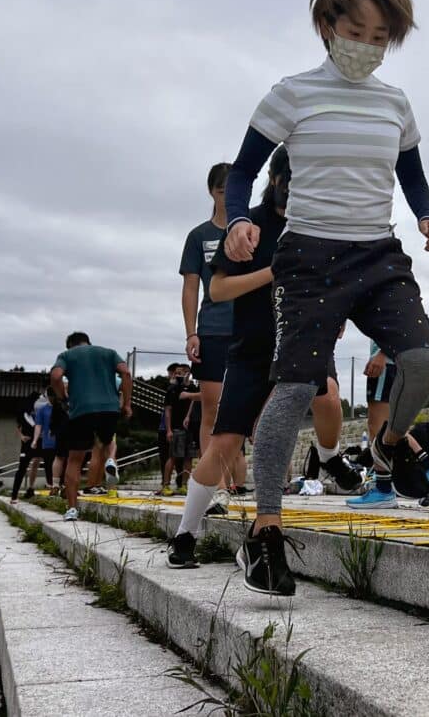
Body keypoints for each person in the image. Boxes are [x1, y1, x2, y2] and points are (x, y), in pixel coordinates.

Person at [220, 0, 429, 596]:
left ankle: (389, 445)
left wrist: (428, 218)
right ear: (328, 25)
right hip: (309, 258)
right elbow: (241, 172)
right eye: (359, 34)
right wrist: (239, 220)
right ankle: (264, 536)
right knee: (294, 392)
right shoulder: (292, 93)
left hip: (379, 253)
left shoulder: (394, 103)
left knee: (421, 359)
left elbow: (411, 171)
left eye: (382, 40)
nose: (369, 49)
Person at [168, 145, 359, 569]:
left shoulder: (320, 223)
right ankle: (185, 533)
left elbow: (339, 277)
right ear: (275, 181)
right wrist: (273, 271)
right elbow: (216, 290)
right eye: (291, 189)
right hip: (253, 345)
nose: (297, 200)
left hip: (304, 339)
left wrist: (338, 309)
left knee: (328, 396)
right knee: (223, 443)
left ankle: (328, 457)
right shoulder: (249, 224)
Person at [346, 340, 429, 509]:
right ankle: (425, 467)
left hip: (387, 361)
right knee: (389, 425)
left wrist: (381, 352)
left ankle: (386, 488)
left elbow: (392, 325)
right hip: (392, 360)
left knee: (380, 427)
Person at [180, 162, 236, 472]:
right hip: (213, 330)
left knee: (245, 410)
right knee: (212, 411)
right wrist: (191, 333)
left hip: (250, 329)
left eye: (233, 190)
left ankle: (239, 480)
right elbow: (190, 288)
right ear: (211, 192)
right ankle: (213, 485)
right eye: (220, 191)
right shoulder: (199, 236)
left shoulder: (254, 229)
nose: (227, 197)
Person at [50, 332, 132, 521]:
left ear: (70, 345)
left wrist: (63, 398)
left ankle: (72, 509)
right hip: (109, 409)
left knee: (75, 460)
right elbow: (126, 373)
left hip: (81, 410)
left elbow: (55, 376)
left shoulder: (67, 356)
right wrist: (127, 404)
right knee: (107, 440)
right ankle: (111, 460)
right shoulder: (108, 353)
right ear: (88, 342)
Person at [160, 363, 199, 497]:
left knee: (188, 457)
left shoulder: (193, 387)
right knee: (173, 456)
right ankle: (165, 485)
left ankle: (184, 485)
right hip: (176, 427)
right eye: (177, 373)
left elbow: (194, 402)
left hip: (190, 427)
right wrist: (169, 429)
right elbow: (168, 410)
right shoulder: (172, 389)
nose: (179, 375)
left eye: (182, 372)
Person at [9, 396, 41, 503]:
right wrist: (22, 436)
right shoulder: (22, 414)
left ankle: (31, 487)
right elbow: (18, 427)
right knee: (22, 468)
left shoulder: (40, 413)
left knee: (36, 462)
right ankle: (14, 495)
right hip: (27, 444)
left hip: (39, 442)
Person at [30, 386, 60, 497]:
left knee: (60, 461)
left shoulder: (61, 407)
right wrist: (35, 440)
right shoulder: (42, 409)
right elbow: (38, 425)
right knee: (48, 463)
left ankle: (59, 484)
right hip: (47, 440)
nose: (52, 398)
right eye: (50, 396)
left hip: (60, 440)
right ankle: (51, 485)